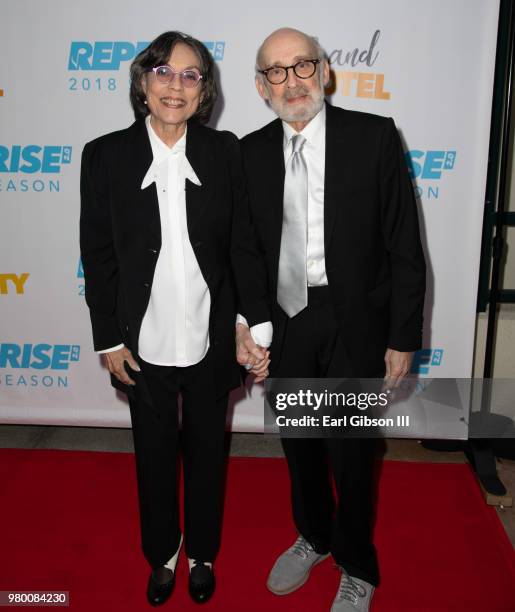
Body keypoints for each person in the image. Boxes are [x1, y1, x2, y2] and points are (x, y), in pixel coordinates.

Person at [80, 31, 271, 606]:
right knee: (154, 454)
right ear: (142, 83)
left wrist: (250, 325)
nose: (175, 85)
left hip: (212, 336)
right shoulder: (105, 155)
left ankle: (202, 554)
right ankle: (163, 553)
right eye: (163, 72)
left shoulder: (224, 151)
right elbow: (99, 254)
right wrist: (107, 337)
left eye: (191, 76)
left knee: (210, 453)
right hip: (142, 339)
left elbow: (243, 246)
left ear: (204, 90)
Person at [237, 27, 426, 612]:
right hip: (287, 322)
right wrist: (250, 323)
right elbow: (244, 249)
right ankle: (314, 535)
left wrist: (402, 335)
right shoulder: (248, 151)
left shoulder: (372, 137)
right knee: (300, 447)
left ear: (324, 71)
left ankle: (356, 563)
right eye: (276, 71)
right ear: (262, 86)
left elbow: (403, 244)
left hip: (356, 321)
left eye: (301, 66)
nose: (291, 80)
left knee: (351, 451)